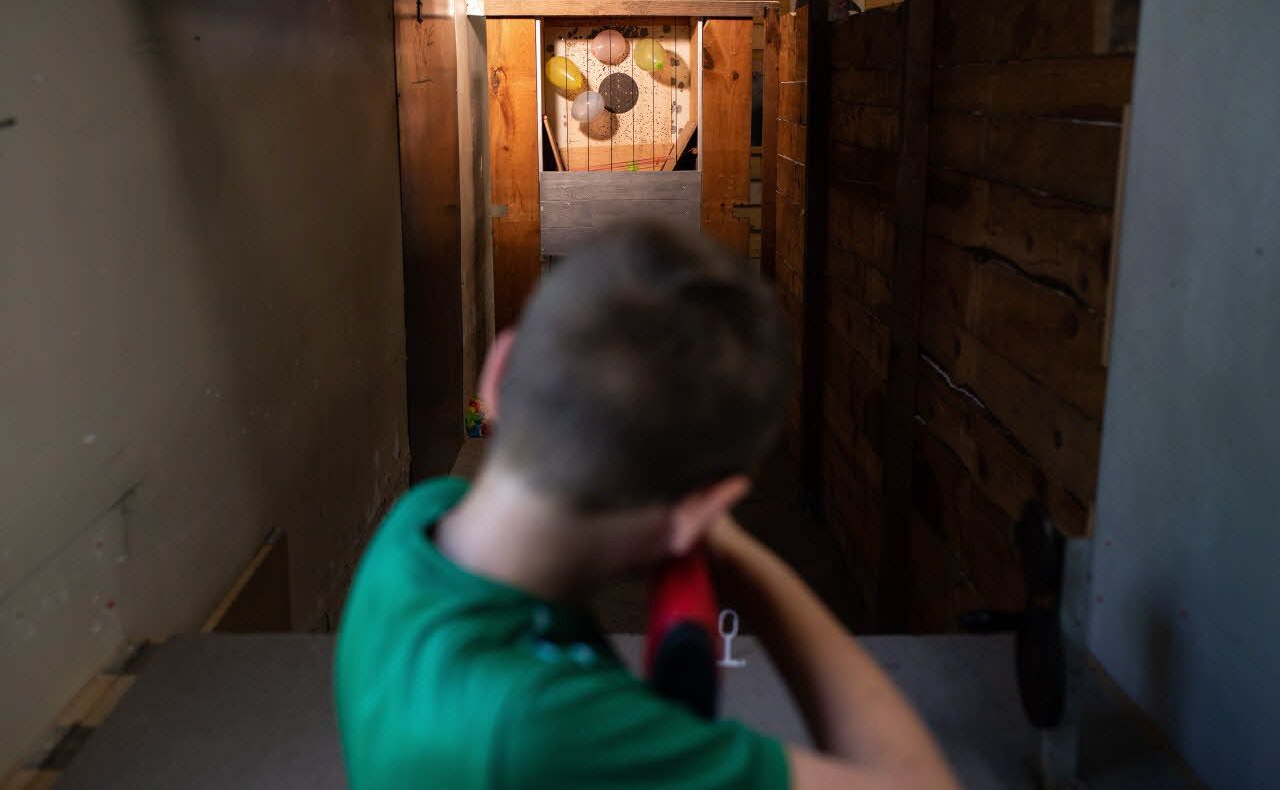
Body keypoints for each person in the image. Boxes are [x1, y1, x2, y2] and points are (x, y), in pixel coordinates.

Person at [334, 222, 959, 789]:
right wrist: (743, 563)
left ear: (497, 373)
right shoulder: (556, 731)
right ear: (701, 509)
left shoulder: (416, 523)